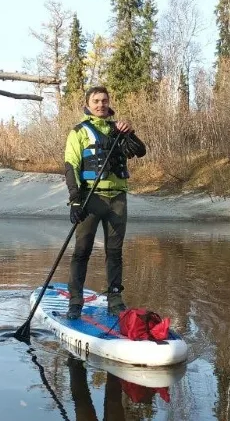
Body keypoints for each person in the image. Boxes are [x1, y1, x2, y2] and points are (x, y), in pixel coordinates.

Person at [63, 86, 146, 319]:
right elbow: (71, 166)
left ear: (109, 103)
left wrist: (130, 132)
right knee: (82, 251)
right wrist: (75, 201)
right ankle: (75, 302)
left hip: (117, 199)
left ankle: (115, 301)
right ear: (88, 104)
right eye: (96, 101)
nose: (101, 104)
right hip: (91, 198)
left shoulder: (118, 129)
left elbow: (141, 151)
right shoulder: (78, 132)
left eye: (104, 100)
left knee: (114, 251)